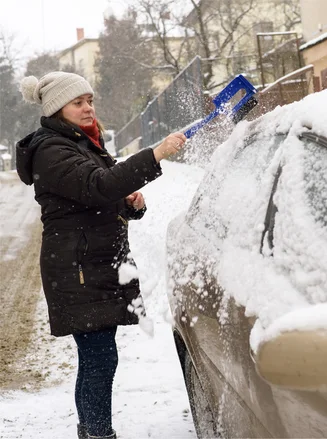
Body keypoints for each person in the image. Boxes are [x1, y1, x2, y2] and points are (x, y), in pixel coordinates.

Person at [15, 72, 187, 439]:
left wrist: (130, 204)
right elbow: (97, 186)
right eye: (78, 102)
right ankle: (97, 434)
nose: (88, 107)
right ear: (57, 108)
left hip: (90, 266)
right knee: (98, 359)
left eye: (89, 100)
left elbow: (101, 194)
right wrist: (155, 154)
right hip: (77, 270)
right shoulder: (51, 149)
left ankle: (91, 432)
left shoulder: (83, 144)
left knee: (97, 359)